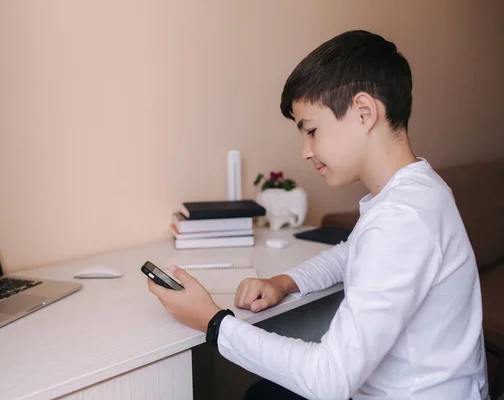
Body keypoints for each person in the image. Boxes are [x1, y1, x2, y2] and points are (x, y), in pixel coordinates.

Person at [147, 30, 488, 400]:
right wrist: (284, 281)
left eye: (311, 130)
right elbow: (353, 251)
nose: (305, 151)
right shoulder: (416, 190)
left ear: (364, 112)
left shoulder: (403, 218)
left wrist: (212, 322)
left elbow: (329, 379)